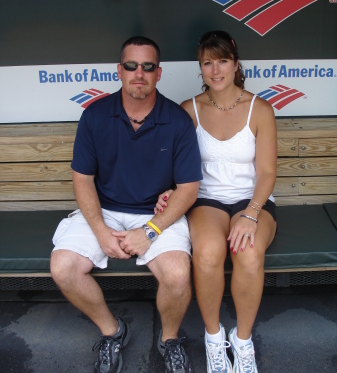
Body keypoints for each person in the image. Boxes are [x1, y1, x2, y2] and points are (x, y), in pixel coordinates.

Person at [50, 36, 202, 373]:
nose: (139, 73)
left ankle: (170, 340)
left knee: (177, 275)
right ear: (119, 70)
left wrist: (150, 231)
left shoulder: (177, 120)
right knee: (63, 268)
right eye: (131, 66)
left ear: (158, 74)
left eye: (147, 67)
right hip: (103, 209)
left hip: (156, 213)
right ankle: (113, 331)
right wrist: (101, 231)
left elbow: (189, 189)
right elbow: (83, 179)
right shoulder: (95, 115)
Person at [155, 30, 277, 373]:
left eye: (222, 61)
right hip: (205, 200)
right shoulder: (189, 109)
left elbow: (267, 172)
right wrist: (168, 188)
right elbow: (174, 163)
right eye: (207, 62)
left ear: (235, 64)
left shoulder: (260, 109)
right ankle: (214, 338)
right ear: (201, 67)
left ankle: (243, 340)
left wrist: (250, 214)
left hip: (253, 202)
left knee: (249, 253)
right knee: (208, 252)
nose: (215, 69)